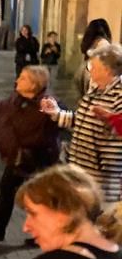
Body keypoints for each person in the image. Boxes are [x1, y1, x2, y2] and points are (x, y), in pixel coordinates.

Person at [0, 65, 61, 243]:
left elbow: (46, 129)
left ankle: (43, 233)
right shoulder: (16, 99)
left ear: (34, 84)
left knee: (39, 198)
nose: (17, 80)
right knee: (6, 188)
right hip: (17, 157)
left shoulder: (46, 104)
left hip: (39, 159)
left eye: (22, 78)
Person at [42, 42, 122, 205]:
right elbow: (82, 119)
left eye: (93, 65)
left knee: (99, 225)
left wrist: (111, 119)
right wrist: (57, 113)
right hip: (81, 171)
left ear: (107, 69)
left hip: (102, 180)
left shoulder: (119, 94)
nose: (89, 69)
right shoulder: (95, 89)